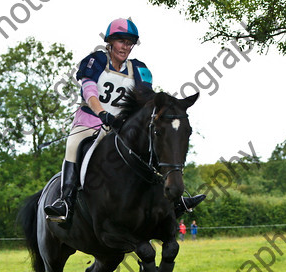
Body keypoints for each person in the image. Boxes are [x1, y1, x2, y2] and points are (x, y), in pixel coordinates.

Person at [44, 18, 205, 222]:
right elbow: (89, 90)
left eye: (129, 43)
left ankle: (176, 199)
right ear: (110, 42)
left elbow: (146, 99)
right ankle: (65, 202)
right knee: (74, 144)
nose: (126, 47)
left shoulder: (139, 69)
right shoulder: (96, 61)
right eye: (121, 41)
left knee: (156, 146)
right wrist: (103, 114)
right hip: (91, 121)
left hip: (122, 126)